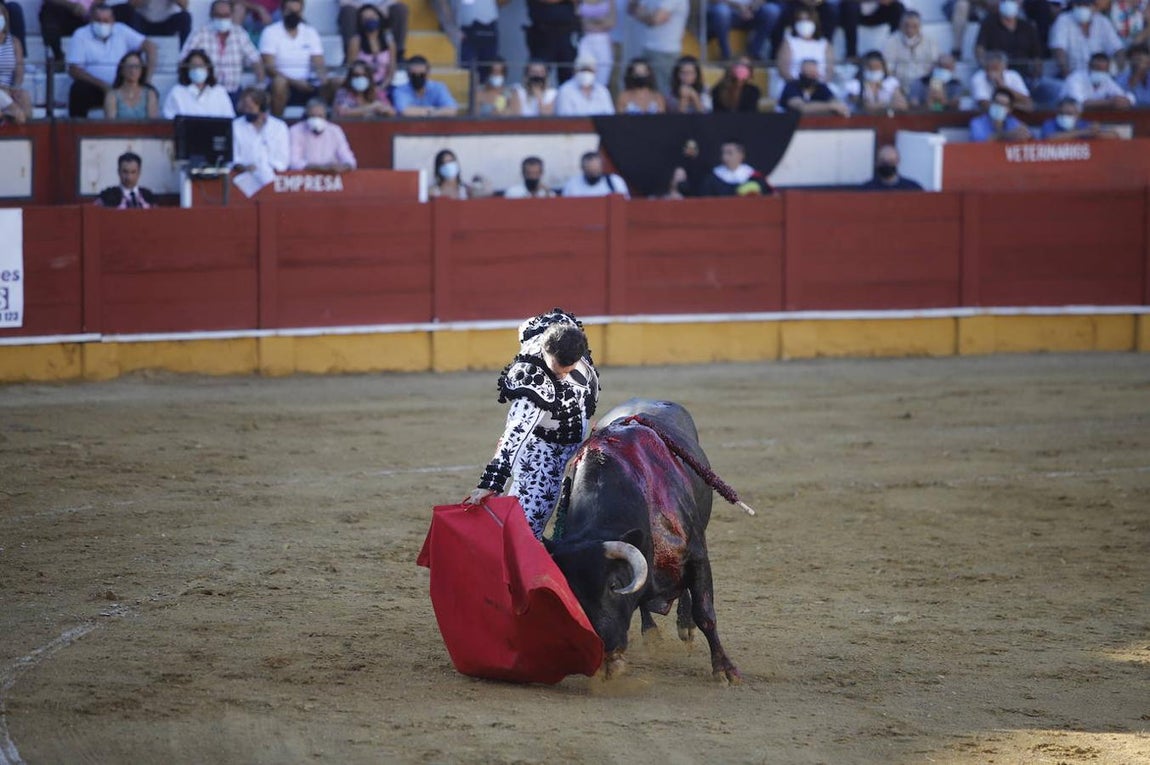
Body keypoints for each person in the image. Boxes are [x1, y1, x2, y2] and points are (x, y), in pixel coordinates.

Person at [464, 310, 600, 540]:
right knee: (525, 529)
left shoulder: (566, 331)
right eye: (558, 370)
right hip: (543, 452)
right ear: (546, 351)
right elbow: (516, 433)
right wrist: (492, 483)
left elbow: (527, 325)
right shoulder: (533, 380)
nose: (565, 377)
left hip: (578, 439)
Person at [67, 4, 157, 118]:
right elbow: (74, 69)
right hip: (96, 88)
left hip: (123, 85)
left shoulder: (121, 30)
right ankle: (77, 131)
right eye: (98, 20)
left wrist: (147, 79)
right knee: (78, 90)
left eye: (105, 20)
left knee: (150, 91)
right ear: (91, 20)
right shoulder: (81, 35)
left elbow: (150, 47)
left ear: (112, 20)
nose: (101, 24)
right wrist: (103, 86)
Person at [180, 0, 265, 101]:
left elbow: (255, 60)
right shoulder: (199, 33)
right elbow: (184, 60)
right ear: (211, 15)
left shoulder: (239, 33)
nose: (222, 19)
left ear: (231, 15)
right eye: (219, 15)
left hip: (233, 92)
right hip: (206, 93)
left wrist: (260, 85)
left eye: (226, 15)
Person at [260, 0, 327, 116]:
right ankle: (278, 123)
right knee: (279, 83)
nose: (293, 15)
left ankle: (326, 126)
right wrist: (296, 83)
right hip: (283, 84)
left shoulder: (310, 32)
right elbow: (269, 68)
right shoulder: (270, 32)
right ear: (282, 11)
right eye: (290, 11)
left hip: (307, 84)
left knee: (335, 83)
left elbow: (318, 62)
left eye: (297, 12)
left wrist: (321, 77)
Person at [1050, 0, 1125, 81]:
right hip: (1072, 76)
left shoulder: (1102, 22)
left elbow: (1118, 49)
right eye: (1079, 4)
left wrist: (1117, 74)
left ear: (1093, 6)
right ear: (1073, 5)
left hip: (1101, 77)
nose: (1082, 7)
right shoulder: (1063, 20)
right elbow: (1058, 50)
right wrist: (1068, 76)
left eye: (1086, 4)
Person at [232, 87, 290, 192]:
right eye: (245, 107)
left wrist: (263, 169)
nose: (246, 111)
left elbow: (282, 160)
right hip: (242, 180)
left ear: (262, 108)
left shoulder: (279, 127)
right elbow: (233, 157)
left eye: (250, 108)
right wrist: (243, 167)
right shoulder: (235, 126)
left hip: (272, 181)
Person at [627, 0, 687, 93]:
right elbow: (631, 8)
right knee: (644, 90)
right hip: (646, 49)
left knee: (662, 92)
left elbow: (656, 19)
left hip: (664, 52)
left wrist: (643, 14)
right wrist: (649, 16)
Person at [974, 0, 1043, 82]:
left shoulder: (1027, 27)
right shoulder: (988, 24)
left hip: (1023, 76)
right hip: (996, 74)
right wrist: (987, 67)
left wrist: (1036, 75)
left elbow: (1037, 56)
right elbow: (979, 49)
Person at [441, 0, 506, 83]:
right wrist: (450, 26)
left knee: (488, 68)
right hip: (465, 28)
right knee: (467, 71)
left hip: (489, 25)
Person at [288, 98, 357, 172]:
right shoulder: (295, 130)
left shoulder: (335, 131)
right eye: (312, 116)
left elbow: (349, 159)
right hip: (306, 176)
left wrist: (344, 167)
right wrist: (320, 168)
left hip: (332, 176)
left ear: (326, 116)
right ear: (306, 116)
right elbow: (294, 162)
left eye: (320, 116)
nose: (316, 120)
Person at [163, 48, 236, 118]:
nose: (197, 69)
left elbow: (229, 119)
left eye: (201, 66)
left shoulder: (219, 91)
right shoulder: (177, 92)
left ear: (208, 69)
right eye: (193, 66)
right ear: (187, 70)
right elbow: (169, 120)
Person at [706, 0, 781, 62]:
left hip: (752, 11)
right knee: (721, 11)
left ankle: (753, 54)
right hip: (728, 11)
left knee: (772, 10)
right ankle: (725, 55)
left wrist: (750, 8)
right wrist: (739, 7)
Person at [776, 6, 834, 85]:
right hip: (794, 85)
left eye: (807, 20)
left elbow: (829, 71)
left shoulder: (824, 44)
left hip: (819, 85)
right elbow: (783, 70)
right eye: (800, 20)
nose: (804, 23)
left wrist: (819, 84)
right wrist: (799, 85)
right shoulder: (789, 42)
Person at [339, 0, 408, 65]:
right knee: (347, 11)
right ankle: (349, 55)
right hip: (356, 12)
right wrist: (365, 10)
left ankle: (398, 54)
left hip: (382, 11)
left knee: (400, 9)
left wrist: (376, 11)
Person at [883, 11, 938, 92]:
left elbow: (935, 64)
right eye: (906, 25)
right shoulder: (892, 41)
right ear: (900, 25)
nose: (910, 29)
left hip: (924, 85)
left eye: (914, 26)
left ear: (920, 26)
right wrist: (897, 88)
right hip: (899, 86)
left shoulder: (930, 41)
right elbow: (888, 68)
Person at [525, 0, 577, 84]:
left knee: (568, 72)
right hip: (542, 33)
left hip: (566, 31)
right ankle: (535, 95)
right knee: (538, 72)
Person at [695, 140, 773, 197]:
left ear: (741, 155)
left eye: (729, 153)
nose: (724, 157)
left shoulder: (754, 177)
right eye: (723, 153)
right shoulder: (712, 179)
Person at [345, 4, 396, 90]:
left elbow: (392, 68)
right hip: (361, 87)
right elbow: (352, 68)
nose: (370, 19)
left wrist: (383, 86)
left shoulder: (389, 40)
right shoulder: (356, 41)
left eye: (373, 16)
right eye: (365, 18)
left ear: (379, 18)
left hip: (384, 85)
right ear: (360, 22)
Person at [1061, 50, 1136, 107]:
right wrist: (1110, 102)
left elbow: (1127, 96)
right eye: (1097, 69)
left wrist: (1126, 100)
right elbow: (1079, 103)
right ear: (1089, 67)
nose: (1100, 72)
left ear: (1107, 70)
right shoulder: (1075, 78)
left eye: (1103, 70)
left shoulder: (1107, 80)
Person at [844, 49, 909, 113]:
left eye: (877, 67)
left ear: (883, 68)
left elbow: (902, 105)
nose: (874, 70)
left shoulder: (891, 82)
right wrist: (888, 105)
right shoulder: (854, 85)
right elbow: (865, 106)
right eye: (870, 67)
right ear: (863, 67)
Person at [780, 57, 851, 115]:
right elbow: (802, 108)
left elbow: (837, 104)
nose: (811, 76)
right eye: (808, 73)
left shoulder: (821, 87)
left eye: (813, 73)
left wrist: (836, 106)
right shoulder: (791, 86)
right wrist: (830, 106)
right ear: (801, 73)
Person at [393, 55, 458, 116]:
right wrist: (432, 111)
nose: (417, 78)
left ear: (428, 73)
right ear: (407, 74)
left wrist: (430, 112)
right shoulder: (400, 90)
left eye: (421, 75)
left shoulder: (438, 88)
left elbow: (452, 109)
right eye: (413, 75)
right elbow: (403, 111)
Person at [101, 50, 158, 118]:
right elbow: (111, 124)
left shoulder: (149, 95)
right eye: (129, 66)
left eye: (136, 67)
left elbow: (152, 124)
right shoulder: (112, 96)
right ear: (122, 70)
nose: (133, 70)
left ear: (141, 70)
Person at [0, 3, 30, 123]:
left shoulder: (14, 42)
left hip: (8, 88)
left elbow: (19, 70)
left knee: (24, 97)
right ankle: (12, 111)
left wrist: (15, 87)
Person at [968, 85, 1033, 141]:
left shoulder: (1012, 121)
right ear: (991, 104)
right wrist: (1006, 135)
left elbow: (1029, 136)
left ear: (1010, 109)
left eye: (1003, 105)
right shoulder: (977, 123)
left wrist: (1026, 134)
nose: (999, 107)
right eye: (997, 103)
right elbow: (979, 142)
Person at [1039, 95, 1122, 138]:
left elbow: (1114, 135)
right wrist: (1082, 133)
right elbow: (1049, 138)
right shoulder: (1050, 123)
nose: (1064, 116)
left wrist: (1096, 133)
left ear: (1078, 115)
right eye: (1061, 113)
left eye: (1069, 114)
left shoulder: (1084, 124)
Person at [576, 0, 614, 87]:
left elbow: (611, 22)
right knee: (583, 74)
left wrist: (590, 20)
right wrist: (600, 20)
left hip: (603, 42)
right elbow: (579, 21)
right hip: (585, 40)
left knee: (603, 78)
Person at [122, 0, 192, 47]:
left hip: (166, 23)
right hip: (143, 22)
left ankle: (176, 55)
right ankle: (133, 55)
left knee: (185, 17)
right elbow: (131, 4)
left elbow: (185, 5)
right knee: (128, 12)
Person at [560, 151, 629, 197]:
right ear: (582, 168)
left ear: (601, 167)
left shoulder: (615, 182)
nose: (593, 172)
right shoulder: (572, 185)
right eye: (590, 170)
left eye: (596, 170)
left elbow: (625, 205)